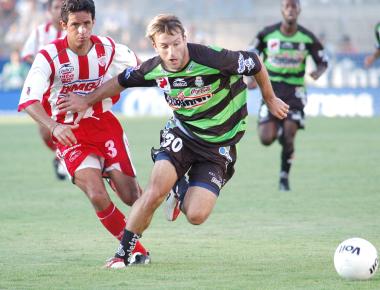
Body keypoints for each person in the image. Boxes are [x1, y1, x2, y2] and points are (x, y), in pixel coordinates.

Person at [58, 14, 289, 268]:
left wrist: (270, 98)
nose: (172, 52)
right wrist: (86, 100)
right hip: (182, 136)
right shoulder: (154, 67)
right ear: (155, 47)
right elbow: (120, 81)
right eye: (164, 46)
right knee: (154, 193)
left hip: (217, 147)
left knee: (196, 215)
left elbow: (254, 62)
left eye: (176, 44)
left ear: (185, 39)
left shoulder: (212, 58)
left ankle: (180, 187)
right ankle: (123, 253)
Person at [18, 0, 150, 265]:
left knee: (133, 198)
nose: (82, 31)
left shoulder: (108, 48)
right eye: (75, 25)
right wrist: (54, 126)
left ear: (93, 23)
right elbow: (28, 100)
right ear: (63, 25)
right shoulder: (48, 56)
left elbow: (139, 70)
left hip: (105, 125)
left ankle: (122, 179)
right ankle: (136, 251)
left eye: (86, 24)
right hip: (70, 132)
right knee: (96, 194)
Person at [249, 0, 328, 191]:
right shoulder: (266, 34)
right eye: (287, 6)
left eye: (294, 6)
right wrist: (251, 78)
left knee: (290, 135)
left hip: (295, 92)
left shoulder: (307, 37)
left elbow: (323, 61)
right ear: (282, 10)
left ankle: (284, 177)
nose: (291, 10)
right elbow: (251, 54)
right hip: (271, 89)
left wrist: (318, 71)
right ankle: (277, 129)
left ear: (299, 10)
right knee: (266, 139)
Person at [20, 0, 68, 180]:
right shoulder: (41, 32)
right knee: (44, 131)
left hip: (66, 88)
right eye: (56, 7)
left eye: (63, 7)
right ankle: (60, 156)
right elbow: (27, 54)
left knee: (70, 124)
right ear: (49, 11)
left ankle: (69, 157)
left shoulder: (73, 30)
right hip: (44, 90)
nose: (59, 11)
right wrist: (43, 68)